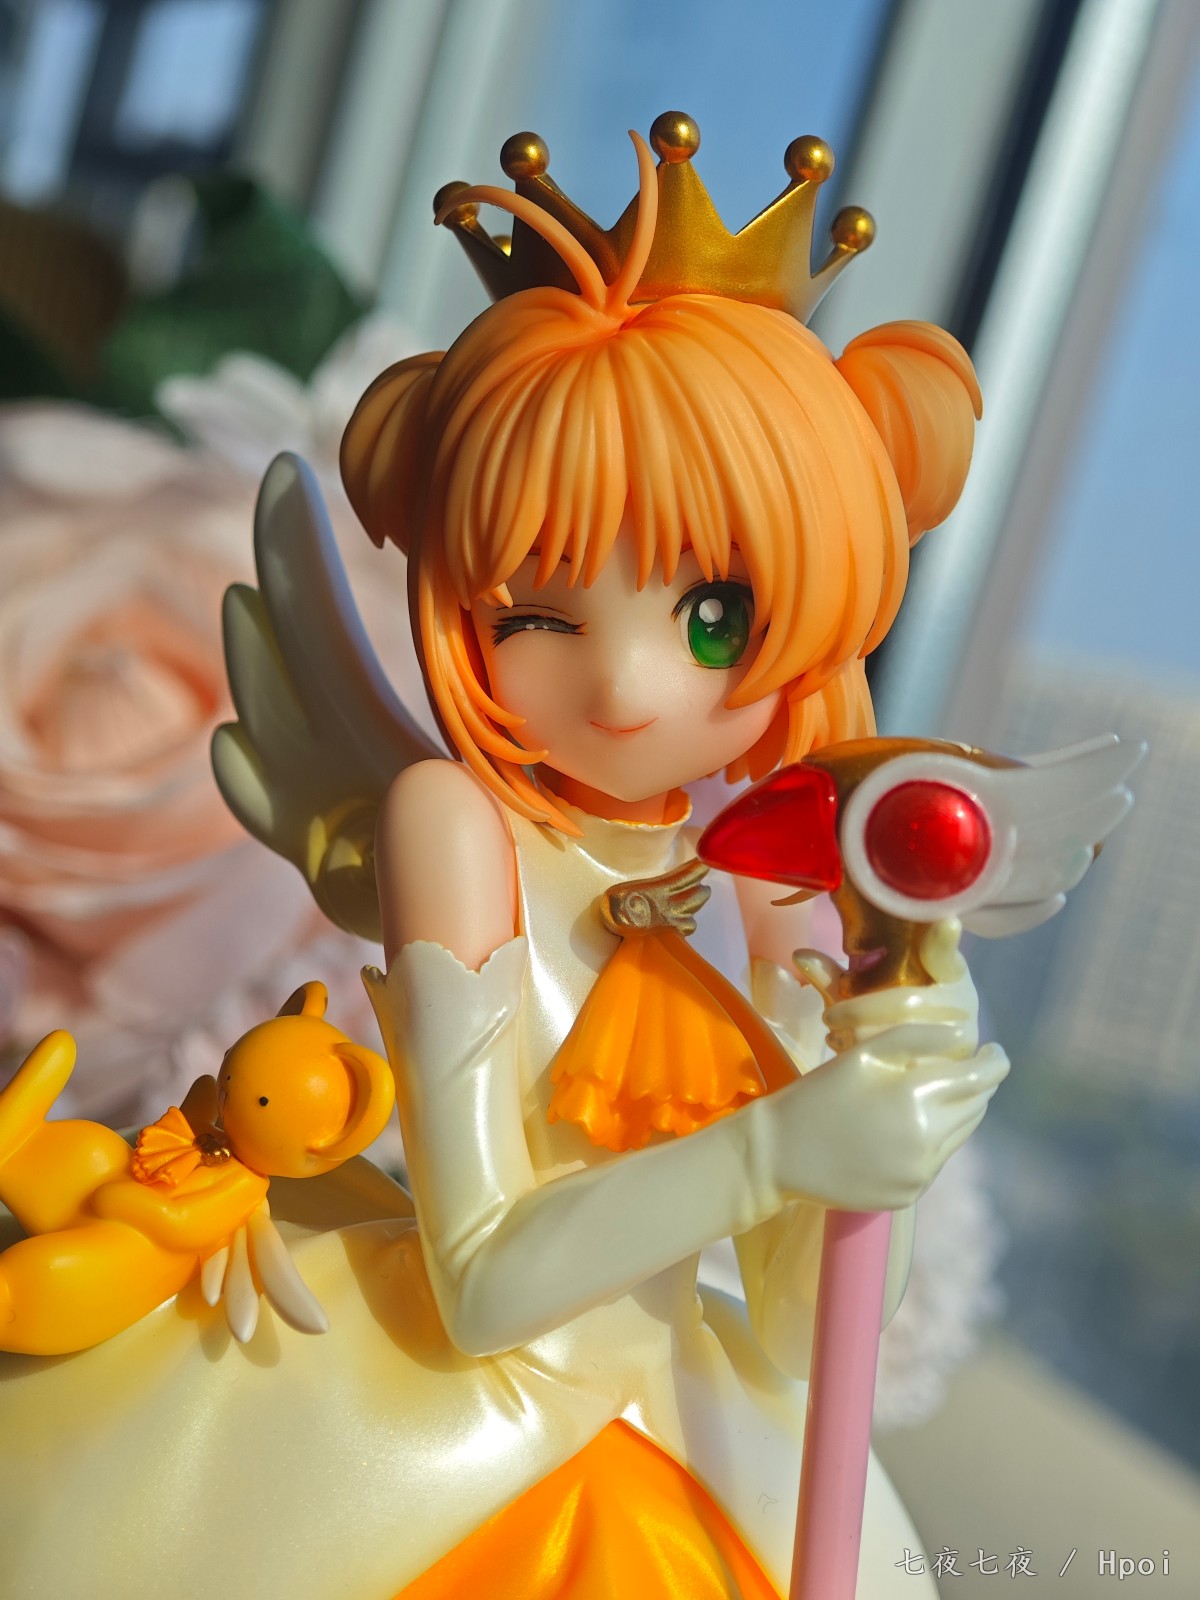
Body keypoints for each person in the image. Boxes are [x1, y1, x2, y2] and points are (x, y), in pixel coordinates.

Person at [0, 120, 1003, 1600]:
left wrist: (888, 1144)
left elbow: (801, 1329)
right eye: (537, 615)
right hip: (465, 1435)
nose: (626, 685)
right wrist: (779, 1147)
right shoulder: (456, 828)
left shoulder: (774, 870)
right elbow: (482, 1282)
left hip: (689, 1423)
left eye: (713, 618)